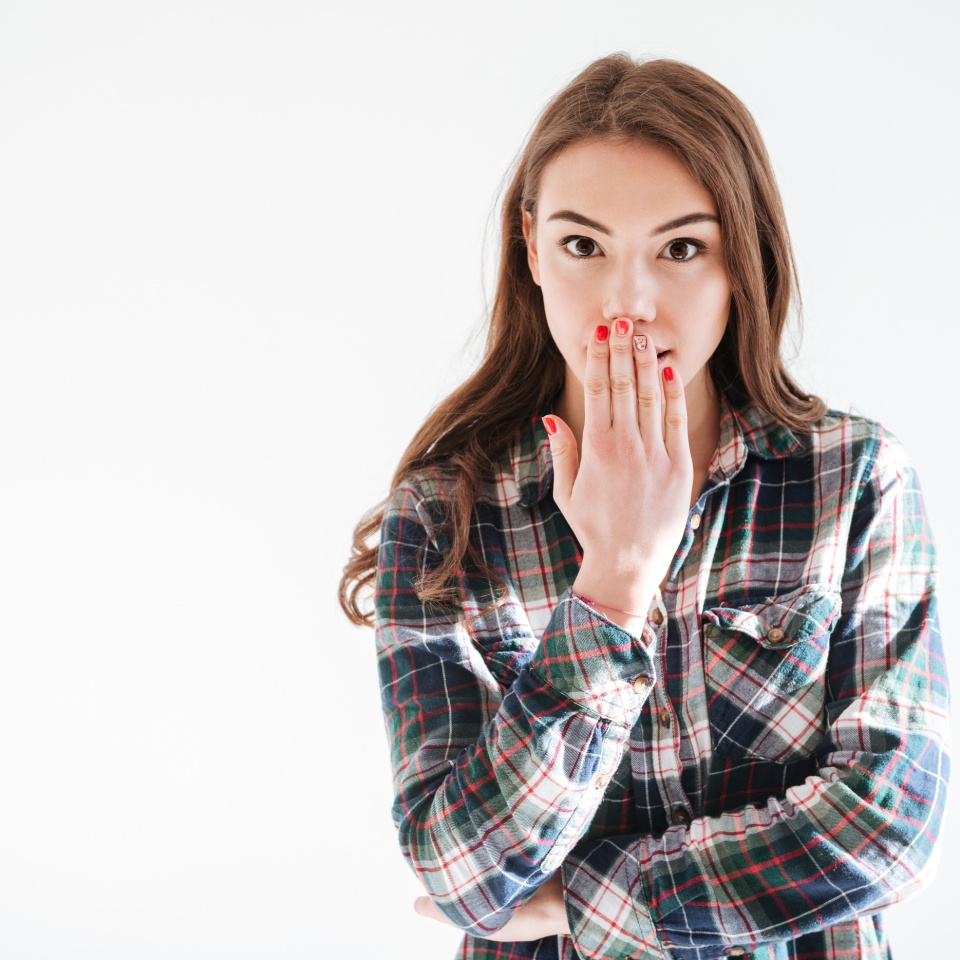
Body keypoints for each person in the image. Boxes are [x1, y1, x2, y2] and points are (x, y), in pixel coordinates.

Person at [338, 53, 950, 960]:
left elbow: (890, 825)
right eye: (584, 247)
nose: (628, 305)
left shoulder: (853, 480)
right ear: (531, 248)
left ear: (743, 259)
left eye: (681, 248)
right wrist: (614, 586)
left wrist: (590, 901)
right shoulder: (441, 522)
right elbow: (462, 874)